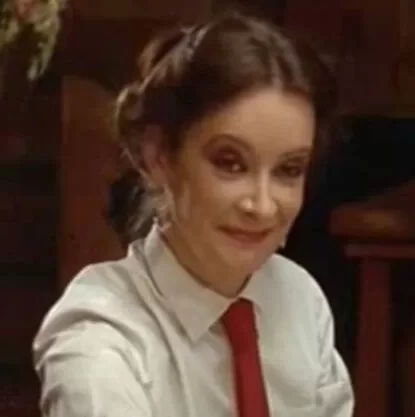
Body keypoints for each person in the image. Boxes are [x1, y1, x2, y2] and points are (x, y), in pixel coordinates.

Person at [33, 13, 354, 417]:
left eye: (288, 170)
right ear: (158, 157)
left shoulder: (301, 300)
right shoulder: (101, 338)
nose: (263, 205)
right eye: (230, 163)